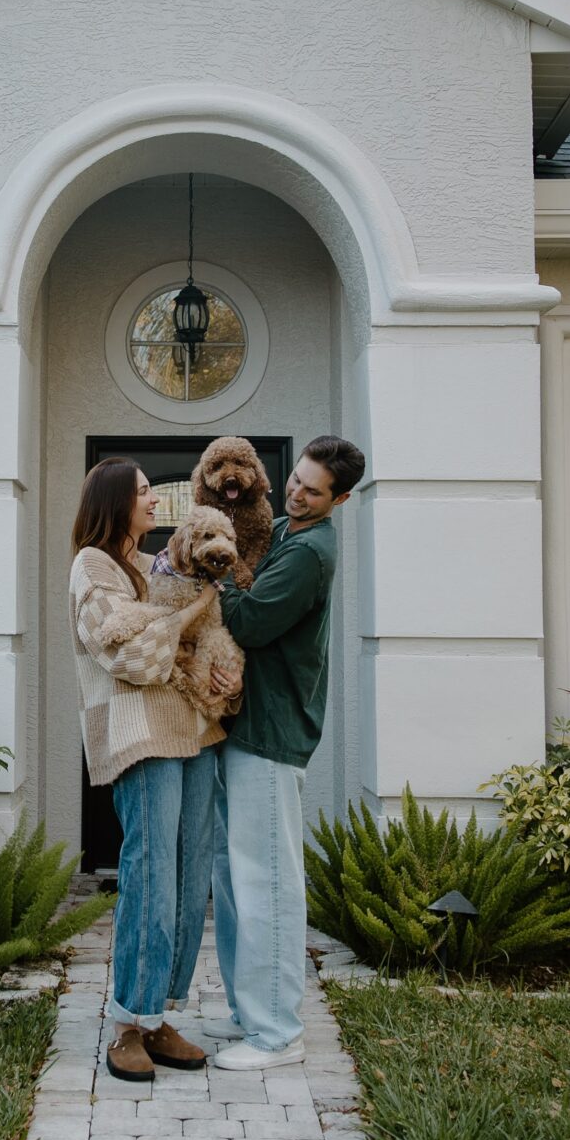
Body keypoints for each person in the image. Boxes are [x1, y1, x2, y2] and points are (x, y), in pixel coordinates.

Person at [208, 433, 363, 1070]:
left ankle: (276, 1033)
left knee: (265, 878)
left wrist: (210, 580)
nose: (297, 493)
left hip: (271, 733)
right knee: (236, 875)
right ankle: (251, 1010)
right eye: (296, 479)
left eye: (314, 490)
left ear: (341, 499)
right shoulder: (283, 529)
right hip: (245, 727)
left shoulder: (309, 552)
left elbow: (246, 622)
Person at [70, 456, 227, 1083]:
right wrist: (194, 612)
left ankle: (159, 1014)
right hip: (141, 737)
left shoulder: (145, 566)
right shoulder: (93, 565)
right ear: (116, 502)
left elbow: (182, 647)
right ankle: (126, 1025)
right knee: (151, 874)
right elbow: (132, 654)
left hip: (193, 732)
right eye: (143, 494)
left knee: (191, 876)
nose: (155, 502)